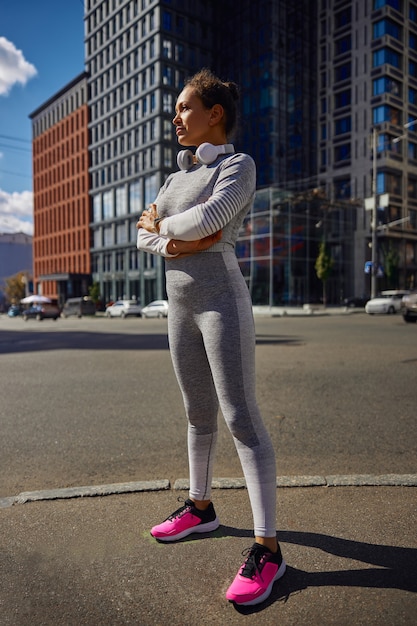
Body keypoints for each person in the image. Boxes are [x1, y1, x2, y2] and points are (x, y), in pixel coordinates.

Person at [136, 68, 286, 606]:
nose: (175, 117)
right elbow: (144, 232)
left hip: (221, 301)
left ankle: (268, 548)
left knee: (240, 416)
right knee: (197, 413)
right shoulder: (174, 179)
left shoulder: (237, 164)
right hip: (179, 306)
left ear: (214, 113)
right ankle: (200, 509)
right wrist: (171, 241)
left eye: (184, 108)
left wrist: (166, 230)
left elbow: (215, 218)